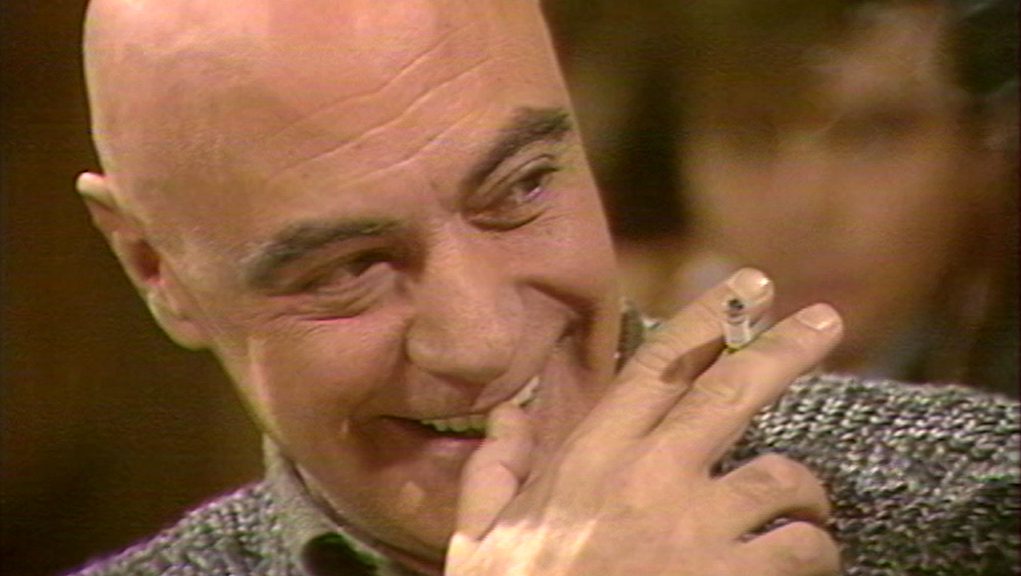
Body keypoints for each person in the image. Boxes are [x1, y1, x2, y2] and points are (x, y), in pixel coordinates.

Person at [71, 1, 1017, 575]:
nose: (482, 339)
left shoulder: (975, 505)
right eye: (345, 269)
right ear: (156, 269)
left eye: (519, 191)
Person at [585, 0, 1018, 396]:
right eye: (747, 139)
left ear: (987, 147)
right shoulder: (618, 352)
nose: (800, 209)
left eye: (871, 137)